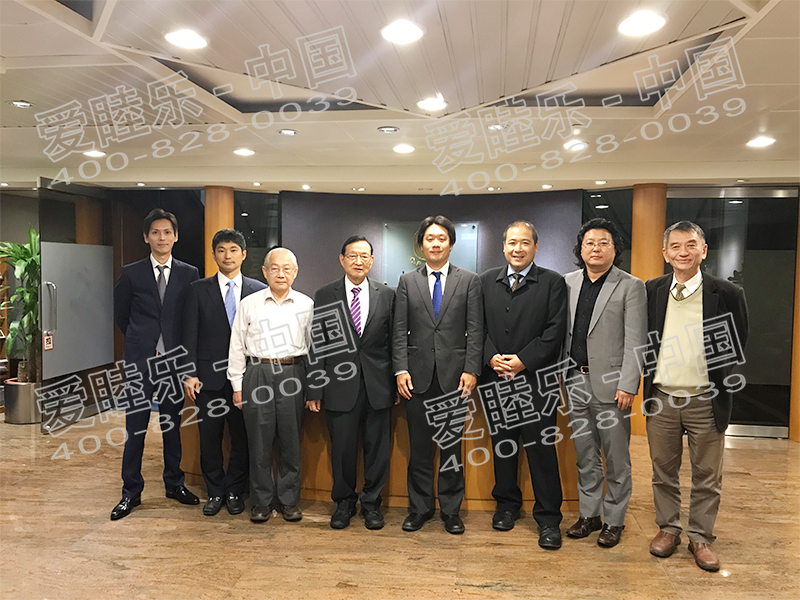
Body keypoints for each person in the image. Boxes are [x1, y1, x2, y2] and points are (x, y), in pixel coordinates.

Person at [644, 221, 748, 572]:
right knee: (663, 470)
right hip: (662, 398)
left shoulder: (727, 292)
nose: (683, 252)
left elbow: (738, 343)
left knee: (707, 474)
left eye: (691, 245)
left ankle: (701, 537)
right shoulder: (653, 290)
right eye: (675, 246)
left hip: (706, 398)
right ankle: (668, 529)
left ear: (703, 250)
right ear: (665, 253)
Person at [393, 215, 483, 535]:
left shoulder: (469, 280)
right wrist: (400, 368)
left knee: (451, 449)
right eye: (429, 238)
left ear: (451, 244)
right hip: (416, 378)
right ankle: (419, 509)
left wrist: (471, 369)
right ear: (421, 244)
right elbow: (399, 330)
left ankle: (451, 511)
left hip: (454, 378)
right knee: (419, 450)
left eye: (441, 238)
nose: (435, 243)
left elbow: (476, 329)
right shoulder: (407, 281)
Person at [480, 221, 567, 549]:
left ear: (536, 246)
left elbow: (555, 331)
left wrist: (522, 360)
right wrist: (491, 357)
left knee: (541, 451)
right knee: (503, 446)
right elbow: (476, 326)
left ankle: (548, 519)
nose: (518, 249)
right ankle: (506, 506)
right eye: (512, 243)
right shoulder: (486, 281)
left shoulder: (552, 282)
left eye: (525, 243)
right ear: (503, 246)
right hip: (496, 379)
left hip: (536, 382)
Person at [111, 208, 200, 520]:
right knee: (135, 429)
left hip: (173, 364)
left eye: (167, 232)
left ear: (176, 237)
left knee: (172, 427)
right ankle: (131, 492)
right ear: (146, 237)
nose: (162, 238)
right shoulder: (131, 273)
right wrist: (143, 341)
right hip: (140, 363)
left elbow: (190, 319)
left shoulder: (189, 273)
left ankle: (174, 484)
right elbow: (121, 314)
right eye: (155, 232)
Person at [562, 218, 646, 548]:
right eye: (589, 243)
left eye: (603, 243)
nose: (595, 248)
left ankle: (614, 519)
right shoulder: (568, 282)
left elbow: (636, 340)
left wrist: (629, 383)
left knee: (616, 458)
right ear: (580, 249)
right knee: (585, 455)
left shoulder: (630, 286)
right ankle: (589, 514)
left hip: (613, 386)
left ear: (615, 249)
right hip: (574, 380)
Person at [306, 236, 396, 530]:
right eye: (353, 256)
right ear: (342, 259)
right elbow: (318, 343)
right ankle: (344, 503)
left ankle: (372, 505)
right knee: (342, 450)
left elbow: (394, 342)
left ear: (372, 260)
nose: (359, 261)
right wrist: (315, 387)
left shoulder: (388, 294)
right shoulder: (325, 294)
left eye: (365, 256)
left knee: (377, 450)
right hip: (338, 386)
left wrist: (396, 381)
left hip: (378, 386)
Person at [183, 229, 267, 516]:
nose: (227, 256)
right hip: (208, 378)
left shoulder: (258, 290)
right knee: (210, 438)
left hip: (248, 378)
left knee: (242, 438)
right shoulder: (197, 289)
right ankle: (215, 492)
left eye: (233, 250)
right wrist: (189, 373)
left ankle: (234, 491)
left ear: (243, 255)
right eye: (221, 250)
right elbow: (189, 334)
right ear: (214, 254)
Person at [227, 247, 313, 524]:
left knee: (291, 441)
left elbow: (313, 348)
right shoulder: (249, 303)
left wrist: (312, 387)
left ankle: (289, 500)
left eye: (287, 269)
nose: (281, 274)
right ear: (264, 272)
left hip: (293, 372)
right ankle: (261, 501)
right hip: (258, 372)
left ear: (295, 272)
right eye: (274, 268)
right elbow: (236, 346)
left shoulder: (307, 304)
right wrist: (237, 385)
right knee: (259, 442)